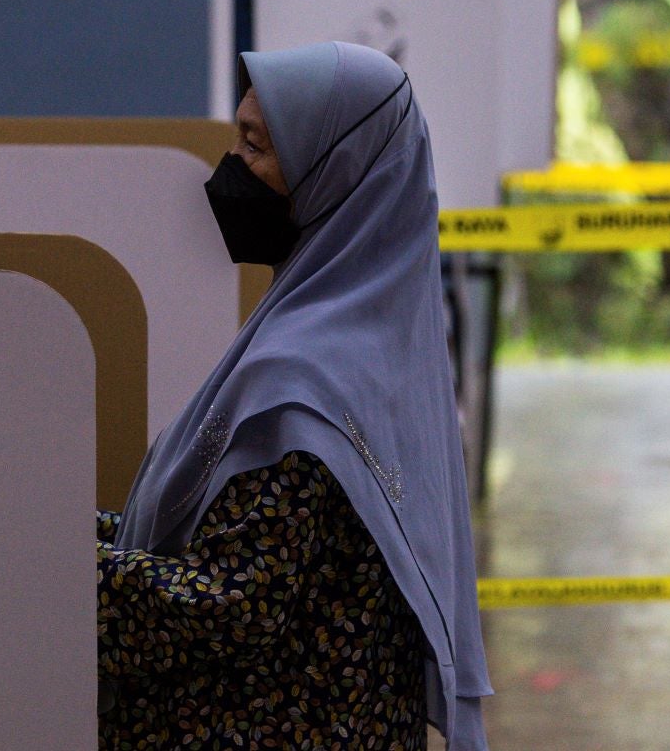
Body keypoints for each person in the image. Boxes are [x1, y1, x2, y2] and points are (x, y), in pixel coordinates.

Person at [95, 41, 492, 749]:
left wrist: (48, 565)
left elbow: (227, 605)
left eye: (256, 146)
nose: (231, 172)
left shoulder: (305, 378)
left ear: (331, 169)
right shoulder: (377, 340)